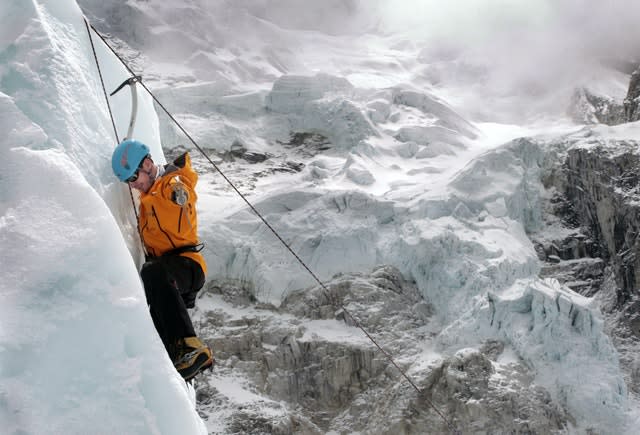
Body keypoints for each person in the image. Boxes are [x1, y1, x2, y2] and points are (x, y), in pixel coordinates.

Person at [111, 139, 213, 381]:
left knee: (152, 272)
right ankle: (175, 366)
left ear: (147, 164)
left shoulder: (172, 185)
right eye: (128, 182)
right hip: (169, 275)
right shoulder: (149, 195)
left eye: (134, 179)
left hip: (187, 265)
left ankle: (189, 346)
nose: (133, 186)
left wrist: (176, 191)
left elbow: (181, 195)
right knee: (155, 316)